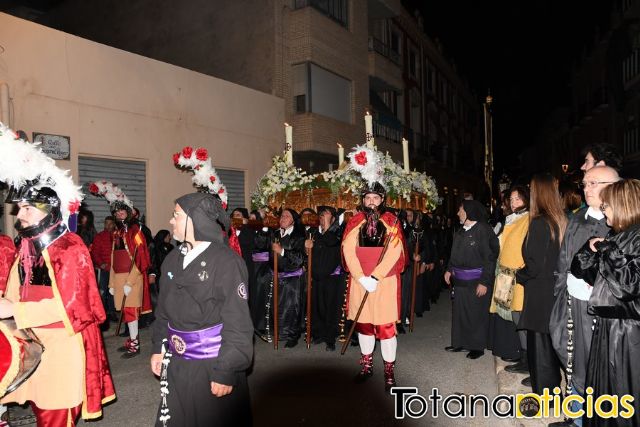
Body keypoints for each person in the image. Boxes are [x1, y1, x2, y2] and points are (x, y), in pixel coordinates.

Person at [0, 124, 114, 425]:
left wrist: (15, 310)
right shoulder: (26, 245)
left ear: (48, 210)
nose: (19, 214)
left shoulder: (70, 248)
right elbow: (14, 290)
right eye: (20, 208)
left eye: (26, 208)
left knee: (54, 418)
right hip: (31, 344)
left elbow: (74, 307)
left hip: (61, 349)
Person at [150, 192, 253, 427]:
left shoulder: (227, 262)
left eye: (176, 215)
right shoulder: (172, 259)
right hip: (176, 362)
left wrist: (226, 371)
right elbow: (163, 312)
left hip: (212, 364)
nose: (171, 221)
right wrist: (158, 347)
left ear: (195, 219)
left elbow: (238, 323)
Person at [549, 166, 620, 427]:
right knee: (572, 360)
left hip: (600, 309)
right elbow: (564, 260)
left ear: (613, 186)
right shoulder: (577, 219)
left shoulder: (620, 222)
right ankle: (576, 415)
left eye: (593, 183)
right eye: (585, 184)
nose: (586, 189)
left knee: (596, 365)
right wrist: (559, 295)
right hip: (571, 302)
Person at [570, 179, 640, 427]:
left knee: (623, 396)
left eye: (607, 204)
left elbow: (629, 286)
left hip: (628, 335)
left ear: (622, 205)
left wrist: (609, 251)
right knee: (603, 394)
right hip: (607, 330)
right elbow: (588, 274)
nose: (603, 208)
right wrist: (589, 252)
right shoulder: (616, 235)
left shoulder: (637, 238)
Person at [342, 181, 406, 391]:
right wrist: (361, 277)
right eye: (367, 198)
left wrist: (376, 277)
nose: (371, 202)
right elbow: (348, 250)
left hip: (384, 282)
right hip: (361, 282)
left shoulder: (391, 221)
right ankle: (367, 365)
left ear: (382, 200)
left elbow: (395, 252)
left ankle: (389, 371)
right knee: (364, 326)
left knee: (386, 328)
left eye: (375, 198)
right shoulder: (355, 222)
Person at [515, 174, 566, 396]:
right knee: (550, 346)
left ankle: (546, 397)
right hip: (554, 290)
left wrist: (520, 275)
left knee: (541, 350)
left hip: (539, 293)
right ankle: (552, 392)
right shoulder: (560, 220)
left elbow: (534, 264)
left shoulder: (539, 223)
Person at [444, 200, 499, 360]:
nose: (458, 213)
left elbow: (490, 258)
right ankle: (460, 342)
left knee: (476, 314)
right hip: (460, 281)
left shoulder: (483, 230)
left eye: (460, 210)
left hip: (477, 281)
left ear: (469, 211)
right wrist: (449, 269)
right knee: (460, 313)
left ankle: (476, 346)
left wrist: (485, 282)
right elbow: (454, 253)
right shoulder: (461, 231)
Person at [489, 186, 529, 365]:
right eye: (511, 200)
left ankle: (522, 355)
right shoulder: (510, 219)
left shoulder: (528, 219)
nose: (513, 203)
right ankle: (510, 350)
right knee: (506, 314)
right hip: (504, 273)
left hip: (516, 274)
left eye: (518, 199)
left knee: (517, 315)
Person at [110, 200, 152, 358]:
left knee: (131, 311)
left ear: (128, 212)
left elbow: (141, 257)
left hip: (133, 278)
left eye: (122, 210)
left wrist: (130, 281)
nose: (119, 213)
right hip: (119, 278)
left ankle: (135, 344)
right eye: (116, 212)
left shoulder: (136, 232)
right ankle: (131, 338)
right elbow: (113, 257)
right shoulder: (116, 232)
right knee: (125, 312)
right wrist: (112, 282)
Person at [307, 205, 345, 351]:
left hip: (332, 278)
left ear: (333, 218)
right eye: (321, 216)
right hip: (316, 276)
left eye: (326, 215)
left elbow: (331, 242)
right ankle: (318, 334)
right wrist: (307, 247)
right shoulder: (314, 233)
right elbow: (308, 253)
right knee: (317, 307)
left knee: (331, 308)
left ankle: (330, 339)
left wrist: (330, 225)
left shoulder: (337, 233)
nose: (323, 218)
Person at [270, 208, 307, 348]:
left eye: (287, 216)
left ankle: (293, 335)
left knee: (292, 308)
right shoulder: (275, 234)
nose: (282, 218)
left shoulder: (299, 237)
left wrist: (282, 251)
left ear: (293, 220)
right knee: (277, 307)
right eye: (281, 216)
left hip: (293, 278)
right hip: (277, 276)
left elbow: (299, 259)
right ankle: (279, 333)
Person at [91, 215, 117, 324]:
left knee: (113, 292)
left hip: (116, 269)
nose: (108, 225)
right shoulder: (99, 237)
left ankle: (112, 312)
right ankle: (102, 314)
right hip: (105, 269)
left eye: (110, 223)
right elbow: (95, 252)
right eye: (106, 223)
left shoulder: (118, 236)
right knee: (103, 291)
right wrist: (101, 264)